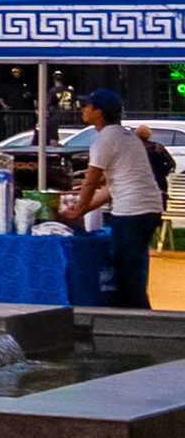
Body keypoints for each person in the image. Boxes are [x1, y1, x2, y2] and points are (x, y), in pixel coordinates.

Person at [76, 88, 161, 311]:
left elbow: (91, 181)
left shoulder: (104, 140)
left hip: (130, 213)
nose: (83, 109)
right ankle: (139, 319)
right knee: (136, 268)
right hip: (150, 209)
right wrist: (81, 210)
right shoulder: (129, 137)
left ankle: (140, 323)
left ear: (98, 112)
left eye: (87, 106)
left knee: (127, 274)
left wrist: (77, 210)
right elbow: (111, 190)